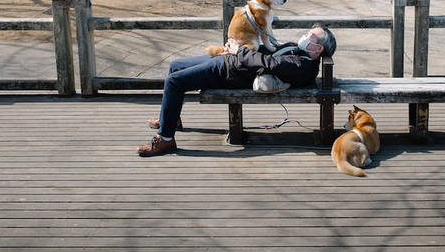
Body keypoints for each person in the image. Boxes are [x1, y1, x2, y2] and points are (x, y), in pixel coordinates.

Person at [137, 24, 337, 157]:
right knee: (176, 65)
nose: (305, 34)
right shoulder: (299, 51)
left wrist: (238, 51)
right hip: (230, 60)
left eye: (310, 35)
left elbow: (268, 63)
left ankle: (166, 139)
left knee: (174, 81)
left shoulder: (303, 67)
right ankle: (170, 121)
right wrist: (237, 46)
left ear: (319, 49)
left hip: (229, 72)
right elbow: (265, 51)